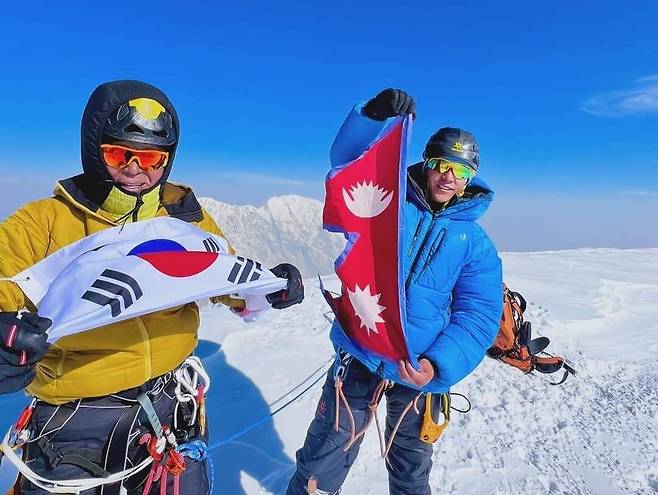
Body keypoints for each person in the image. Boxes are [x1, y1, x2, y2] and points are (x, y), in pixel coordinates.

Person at [0, 80, 304, 494]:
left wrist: (267, 286)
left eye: (152, 159)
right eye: (118, 153)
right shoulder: (46, 222)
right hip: (77, 413)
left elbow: (220, 270)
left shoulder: (183, 220)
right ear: (94, 149)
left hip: (169, 402)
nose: (136, 169)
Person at [287, 88, 503, 495]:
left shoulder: (475, 244)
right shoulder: (386, 199)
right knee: (321, 461)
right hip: (362, 349)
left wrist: (437, 367)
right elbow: (346, 163)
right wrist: (372, 115)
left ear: (470, 178)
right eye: (441, 164)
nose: (448, 177)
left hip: (418, 368)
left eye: (461, 171)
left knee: (410, 470)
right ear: (427, 162)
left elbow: (478, 315)